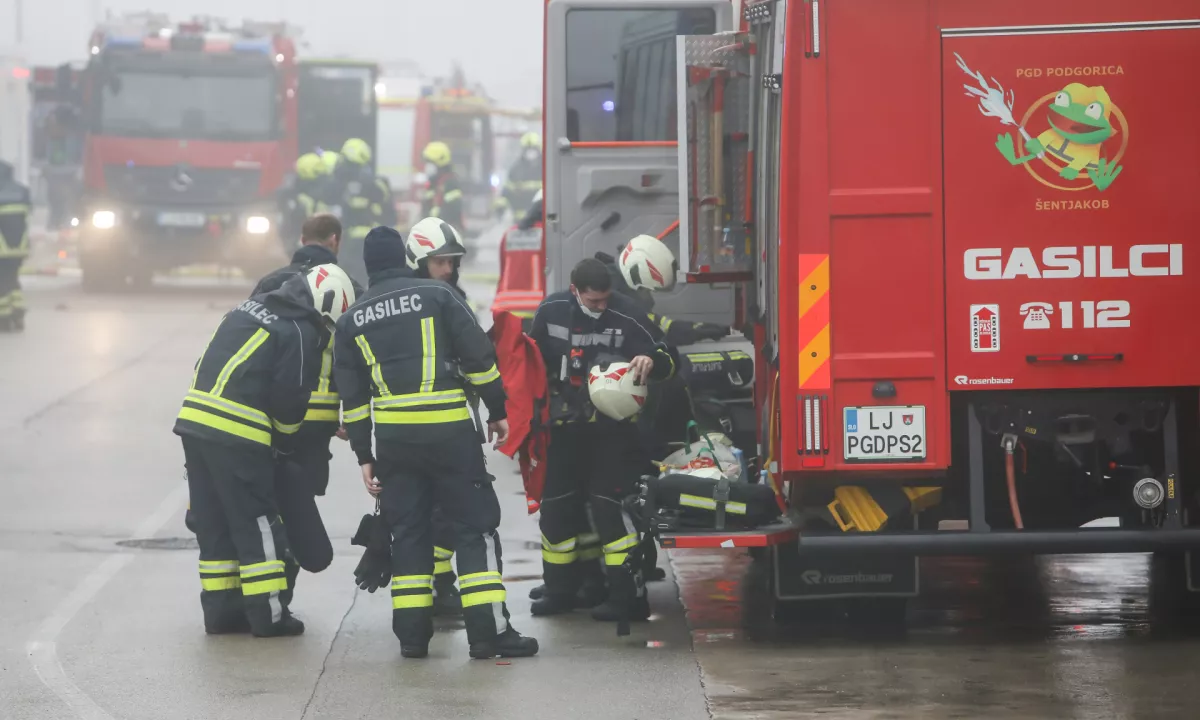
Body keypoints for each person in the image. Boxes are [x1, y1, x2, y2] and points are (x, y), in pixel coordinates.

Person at [333, 225, 538, 659]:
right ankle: (488, 635)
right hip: (449, 435)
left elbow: (352, 401)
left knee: (408, 533)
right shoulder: (439, 297)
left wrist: (364, 457)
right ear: (407, 258)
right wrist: (497, 410)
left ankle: (411, 638)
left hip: (393, 443)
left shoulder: (351, 320)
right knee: (473, 527)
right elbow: (479, 360)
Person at [175, 263, 357, 637]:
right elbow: (289, 399)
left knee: (215, 522)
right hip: (238, 434)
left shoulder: (247, 309)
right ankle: (269, 615)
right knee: (257, 521)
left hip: (194, 424)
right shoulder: (299, 330)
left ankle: (222, 614)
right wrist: (286, 443)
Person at [528, 258, 676, 622]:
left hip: (613, 431)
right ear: (575, 290)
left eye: (605, 300)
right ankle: (561, 590)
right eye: (593, 301)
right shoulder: (550, 310)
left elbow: (671, 358)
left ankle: (628, 597)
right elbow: (529, 362)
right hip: (563, 430)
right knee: (558, 510)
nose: (601, 307)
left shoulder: (628, 313)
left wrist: (651, 360)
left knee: (611, 510)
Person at [246, 214, 364, 580]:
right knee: (300, 505)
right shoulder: (351, 289)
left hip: (270, 416)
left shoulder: (272, 282)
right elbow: (356, 354)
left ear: (301, 238)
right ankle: (285, 587)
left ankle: (265, 585)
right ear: (335, 241)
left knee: (267, 501)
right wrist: (352, 412)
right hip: (318, 422)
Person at [326, 138, 387, 286]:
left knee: (352, 275)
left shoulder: (368, 184)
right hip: (347, 239)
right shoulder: (336, 183)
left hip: (354, 239)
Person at [276, 153, 330, 254]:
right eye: (318, 171)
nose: (322, 175)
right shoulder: (293, 196)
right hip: (301, 244)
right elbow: (287, 223)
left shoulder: (326, 191)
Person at [0, 160, 31, 333]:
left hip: (1, 248)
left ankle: (3, 317)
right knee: (12, 277)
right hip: (20, 246)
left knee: (1, 282)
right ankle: (18, 312)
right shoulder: (21, 190)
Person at [419, 142, 464, 232]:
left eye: (430, 162)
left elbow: (452, 210)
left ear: (439, 163)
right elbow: (427, 205)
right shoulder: (433, 182)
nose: (427, 166)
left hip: (448, 233)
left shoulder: (451, 183)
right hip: (433, 231)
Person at [496, 133, 543, 220]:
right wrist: (500, 206)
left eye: (533, 149)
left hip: (542, 219)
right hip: (520, 220)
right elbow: (507, 191)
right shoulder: (516, 169)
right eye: (527, 149)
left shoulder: (546, 168)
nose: (530, 152)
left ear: (539, 149)